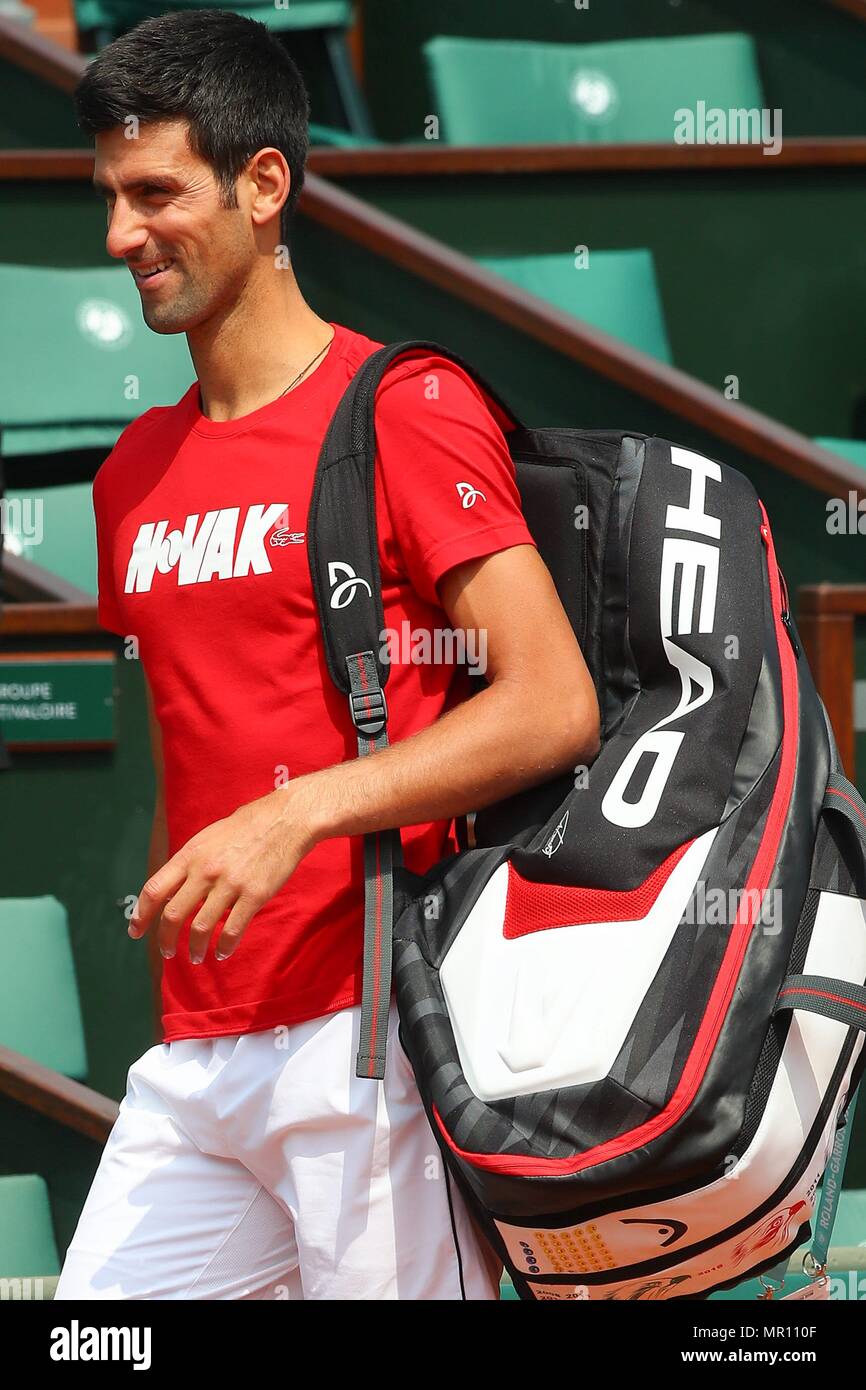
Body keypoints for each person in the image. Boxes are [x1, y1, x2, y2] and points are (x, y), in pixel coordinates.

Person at [54, 9, 600, 1300]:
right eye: (107, 199)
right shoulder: (129, 476)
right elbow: (200, 734)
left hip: (371, 1040)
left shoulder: (402, 408)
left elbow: (552, 700)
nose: (119, 235)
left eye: (153, 194)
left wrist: (294, 812)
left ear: (263, 185)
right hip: (194, 1056)